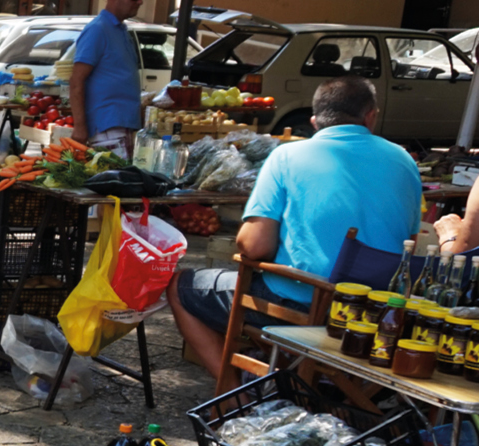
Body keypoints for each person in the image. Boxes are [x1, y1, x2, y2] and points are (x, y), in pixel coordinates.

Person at [168, 76, 421, 379]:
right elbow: (410, 242)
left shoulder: (288, 155)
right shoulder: (404, 161)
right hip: (378, 315)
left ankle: (230, 398)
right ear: (371, 116)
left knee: (180, 285)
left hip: (305, 306)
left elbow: (254, 246)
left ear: (315, 122)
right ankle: (311, 381)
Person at [70, 0, 147, 159]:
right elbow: (76, 80)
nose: (140, 1)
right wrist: (80, 126)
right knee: (114, 184)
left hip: (123, 123)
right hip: (107, 125)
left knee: (123, 183)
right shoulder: (98, 29)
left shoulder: (120, 29)